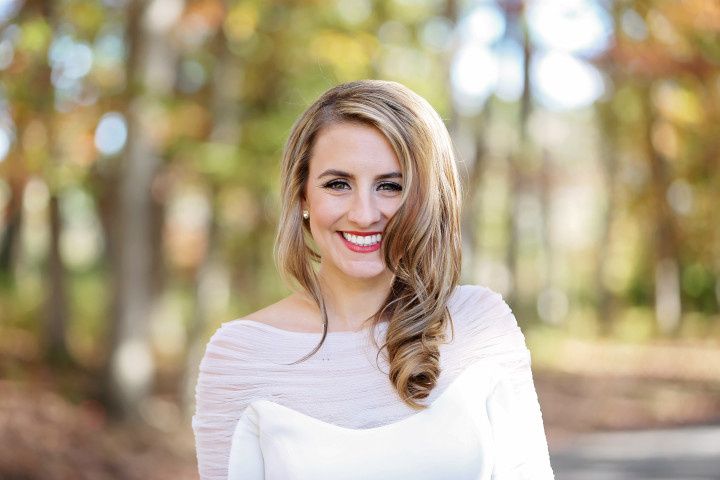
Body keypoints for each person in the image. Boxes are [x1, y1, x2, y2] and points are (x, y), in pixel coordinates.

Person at [192, 79, 555, 479]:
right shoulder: (241, 354)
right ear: (302, 197)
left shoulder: (480, 324)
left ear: (425, 199)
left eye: (390, 186)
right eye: (338, 184)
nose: (364, 214)